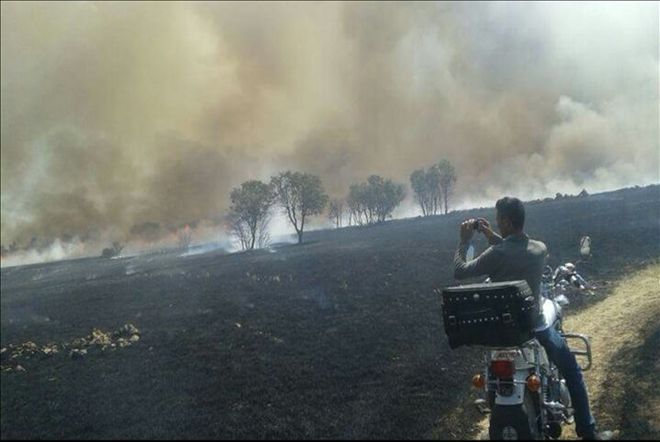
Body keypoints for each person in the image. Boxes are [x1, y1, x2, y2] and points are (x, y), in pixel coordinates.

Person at [453, 196, 611, 441]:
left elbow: (460, 270)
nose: (496, 223)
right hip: (535, 329)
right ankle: (589, 433)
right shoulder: (539, 250)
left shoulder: (495, 255)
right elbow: (515, 249)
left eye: (498, 220)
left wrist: (463, 242)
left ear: (505, 221)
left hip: (501, 333)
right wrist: (491, 234)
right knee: (572, 371)